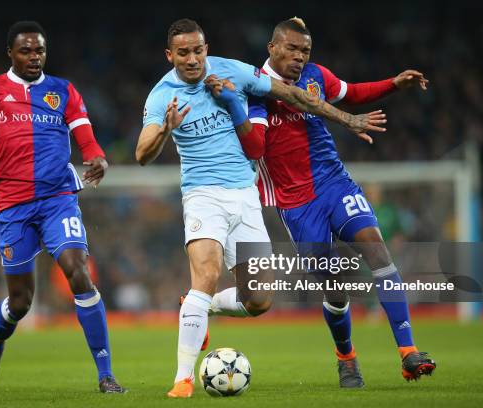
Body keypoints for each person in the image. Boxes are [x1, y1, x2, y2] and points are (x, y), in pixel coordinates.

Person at [135, 18, 386, 398]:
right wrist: (166, 128)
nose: (192, 59)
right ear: (170, 55)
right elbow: (142, 154)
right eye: (183, 53)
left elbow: (294, 95)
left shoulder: (233, 71)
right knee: (206, 273)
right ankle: (182, 379)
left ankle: (197, 307)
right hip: (203, 195)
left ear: (206, 47)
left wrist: (347, 118)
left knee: (259, 300)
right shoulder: (161, 96)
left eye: (198, 50)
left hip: (245, 196)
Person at [220, 17, 436, 387]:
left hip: (334, 182)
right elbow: (254, 144)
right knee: (334, 285)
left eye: (305, 51)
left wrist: (393, 85)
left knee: (376, 248)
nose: (300, 57)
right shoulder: (255, 89)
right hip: (296, 203)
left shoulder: (315, 75)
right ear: (272, 48)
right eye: (292, 48)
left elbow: (350, 93)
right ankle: (346, 358)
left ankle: (407, 351)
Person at [0, 21, 125, 394]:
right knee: (20, 301)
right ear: (10, 53)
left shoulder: (63, 91)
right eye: (26, 50)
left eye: (39, 50)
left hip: (58, 199)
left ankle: (106, 375)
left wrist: (98, 158)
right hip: (12, 207)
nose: (34, 57)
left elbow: (86, 138)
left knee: (78, 272)